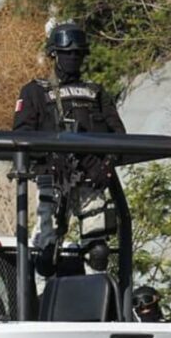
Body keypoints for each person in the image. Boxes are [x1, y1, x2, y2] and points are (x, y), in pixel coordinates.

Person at [13, 22, 126, 276]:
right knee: (46, 255)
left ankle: (96, 307)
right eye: (67, 53)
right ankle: (40, 307)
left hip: (91, 181)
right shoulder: (35, 92)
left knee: (98, 253)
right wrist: (50, 157)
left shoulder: (96, 93)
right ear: (54, 54)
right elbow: (20, 138)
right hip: (52, 181)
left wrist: (106, 164)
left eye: (78, 54)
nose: (73, 58)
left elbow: (120, 137)